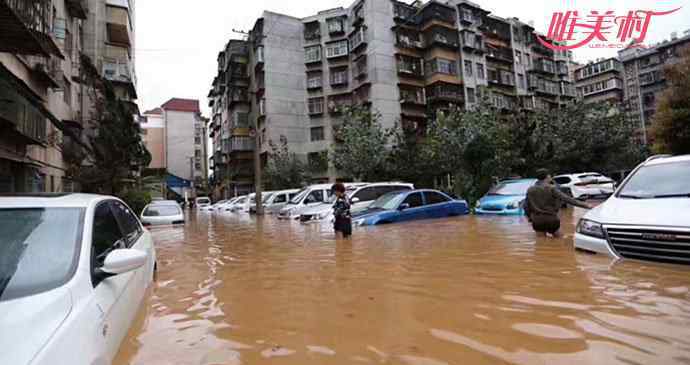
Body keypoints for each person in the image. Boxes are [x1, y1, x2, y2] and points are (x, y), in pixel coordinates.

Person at [524, 168, 591, 238]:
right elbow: (567, 199)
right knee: (560, 239)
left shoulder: (530, 189)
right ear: (548, 176)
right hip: (551, 218)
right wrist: (586, 205)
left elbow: (526, 206)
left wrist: (529, 218)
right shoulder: (551, 188)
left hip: (537, 220)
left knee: (541, 241)